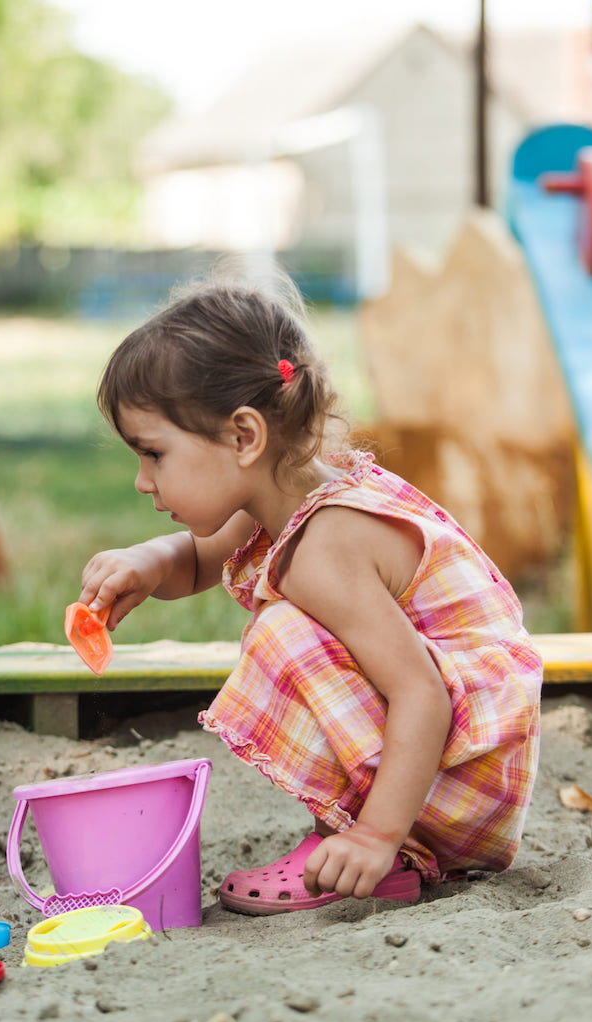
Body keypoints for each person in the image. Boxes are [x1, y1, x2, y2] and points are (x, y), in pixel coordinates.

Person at [77, 279, 541, 915]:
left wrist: (375, 839)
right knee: (288, 628)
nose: (142, 481)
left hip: (465, 767)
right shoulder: (282, 491)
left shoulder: (327, 545)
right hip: (449, 759)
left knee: (283, 634)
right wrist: (146, 562)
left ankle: (380, 850)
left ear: (244, 436)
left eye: (154, 454)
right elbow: (195, 562)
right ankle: (372, 833)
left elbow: (420, 693)